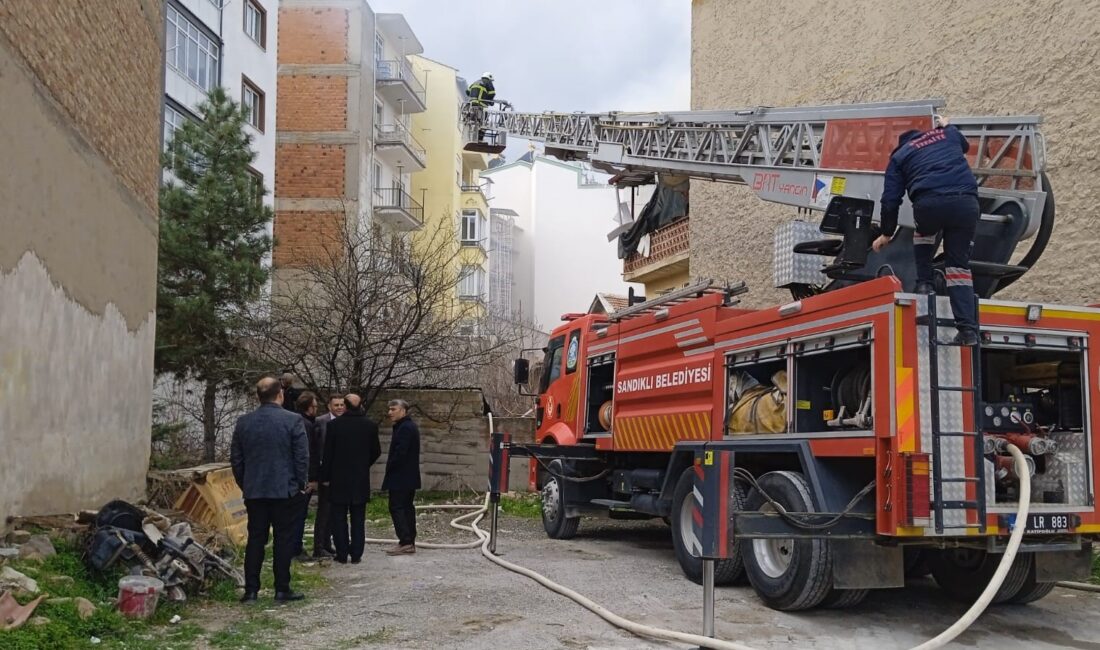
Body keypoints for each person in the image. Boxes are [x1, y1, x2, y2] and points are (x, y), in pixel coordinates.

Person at [873, 115, 980, 345]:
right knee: (958, 268)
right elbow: (965, 145)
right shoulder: (947, 134)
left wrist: (886, 233)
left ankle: (924, 283)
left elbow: (890, 200)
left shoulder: (900, 156)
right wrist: (947, 125)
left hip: (930, 205)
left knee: (923, 233)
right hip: (967, 204)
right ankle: (968, 330)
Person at [230, 376, 309, 603]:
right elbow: (301, 457)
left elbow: (236, 458)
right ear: (280, 395)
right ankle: (281, 588)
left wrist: (246, 483)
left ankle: (251, 590)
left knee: (256, 539)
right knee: (283, 540)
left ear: (258, 396)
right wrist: (300, 484)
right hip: (285, 490)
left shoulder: (244, 422)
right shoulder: (293, 420)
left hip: (255, 491)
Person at [320, 393, 381, 564]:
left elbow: (328, 453)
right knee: (358, 517)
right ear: (360, 405)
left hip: (338, 478)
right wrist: (363, 465)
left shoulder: (334, 425)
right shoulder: (369, 425)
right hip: (360, 477)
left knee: (338, 517)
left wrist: (325, 476)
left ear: (345, 406)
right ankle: (356, 553)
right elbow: (376, 451)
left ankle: (341, 553)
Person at [381, 399, 421, 556]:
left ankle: (406, 541)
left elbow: (400, 453)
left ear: (403, 411)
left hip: (401, 476)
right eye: (389, 409)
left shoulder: (405, 428)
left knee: (397, 507)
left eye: (393, 409)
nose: (390, 412)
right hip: (407, 476)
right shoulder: (406, 426)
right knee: (406, 507)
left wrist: (391, 466)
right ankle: (409, 541)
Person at [309, 394, 346, 558]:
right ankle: (318, 546)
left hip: (340, 473)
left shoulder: (346, 422)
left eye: (341, 405)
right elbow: (315, 449)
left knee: (334, 511)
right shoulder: (320, 421)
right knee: (324, 511)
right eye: (336, 405)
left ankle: (327, 544)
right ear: (330, 406)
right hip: (325, 473)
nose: (339, 407)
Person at [290, 391, 318, 561]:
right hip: (304, 477)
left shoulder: (293, 421)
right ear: (309, 408)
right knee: (300, 513)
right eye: (315, 406)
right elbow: (309, 454)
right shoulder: (306, 425)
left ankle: (294, 547)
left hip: (293, 476)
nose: (316, 409)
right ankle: (296, 549)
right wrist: (312, 478)